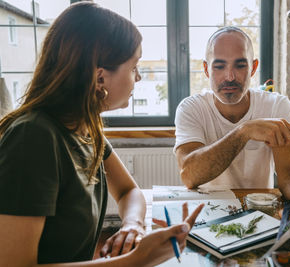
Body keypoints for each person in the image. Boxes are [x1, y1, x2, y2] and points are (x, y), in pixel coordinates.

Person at [0, 2, 203, 266]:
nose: (138, 77)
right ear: (99, 78)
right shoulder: (33, 137)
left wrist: (132, 225)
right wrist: (137, 260)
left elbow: (129, 191)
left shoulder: (85, 127)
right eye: (133, 67)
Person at [174, 26, 290, 200]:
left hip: (260, 211)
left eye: (240, 65)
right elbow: (189, 176)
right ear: (206, 69)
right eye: (219, 66)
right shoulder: (191, 108)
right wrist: (244, 131)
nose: (230, 76)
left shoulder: (277, 106)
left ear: (253, 68)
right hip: (208, 213)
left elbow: (289, 176)